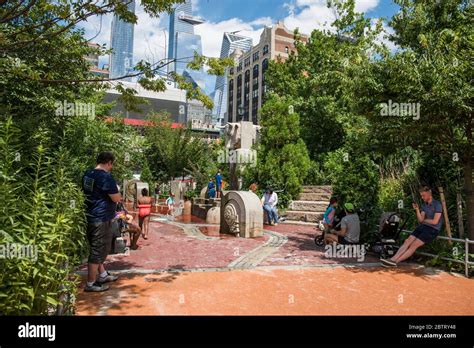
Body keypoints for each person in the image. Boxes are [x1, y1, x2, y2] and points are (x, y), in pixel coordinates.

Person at [82, 151, 120, 292]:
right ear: (109, 162)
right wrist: (118, 191)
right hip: (102, 218)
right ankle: (91, 284)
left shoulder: (87, 174)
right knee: (98, 250)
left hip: (91, 215)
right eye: (112, 164)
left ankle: (102, 275)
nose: (111, 167)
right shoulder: (105, 177)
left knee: (96, 247)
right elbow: (116, 198)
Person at [382, 186, 443, 267]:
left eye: (423, 195)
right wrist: (417, 209)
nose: (422, 197)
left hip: (432, 229)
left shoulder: (437, 205)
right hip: (423, 226)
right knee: (407, 241)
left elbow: (435, 221)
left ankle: (396, 262)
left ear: (429, 194)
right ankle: (393, 259)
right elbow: (420, 219)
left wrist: (424, 220)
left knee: (413, 245)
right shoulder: (424, 205)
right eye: (421, 195)